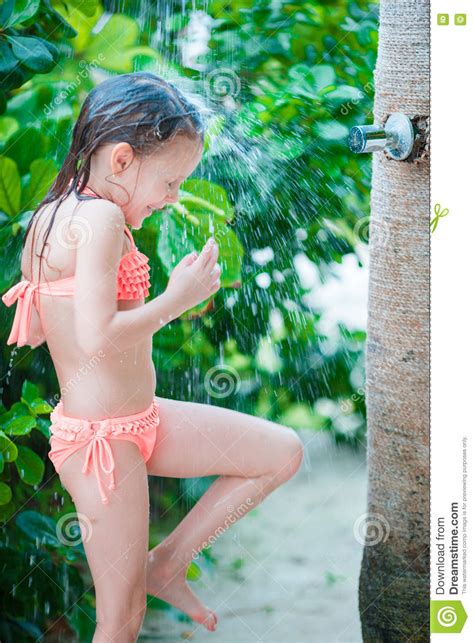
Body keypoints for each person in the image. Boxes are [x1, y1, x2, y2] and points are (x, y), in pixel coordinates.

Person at [2, 72, 304, 642]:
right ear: (121, 160)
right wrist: (175, 299)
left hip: (141, 420)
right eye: (169, 182)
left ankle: (167, 562)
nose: (172, 198)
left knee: (280, 452)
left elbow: (45, 326)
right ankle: (160, 569)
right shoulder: (99, 218)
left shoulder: (52, 213)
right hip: (104, 445)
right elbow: (94, 338)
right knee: (120, 622)